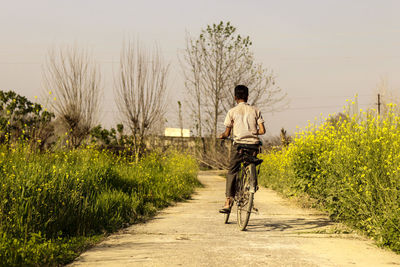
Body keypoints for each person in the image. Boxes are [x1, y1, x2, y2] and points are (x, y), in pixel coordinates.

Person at [218, 85, 266, 213]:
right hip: (253, 146)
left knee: (232, 170)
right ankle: (251, 183)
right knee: (250, 163)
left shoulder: (232, 112)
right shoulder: (256, 110)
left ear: (235, 97)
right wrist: (252, 131)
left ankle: (228, 202)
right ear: (247, 96)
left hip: (239, 145)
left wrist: (222, 135)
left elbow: (227, 133)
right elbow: (262, 130)